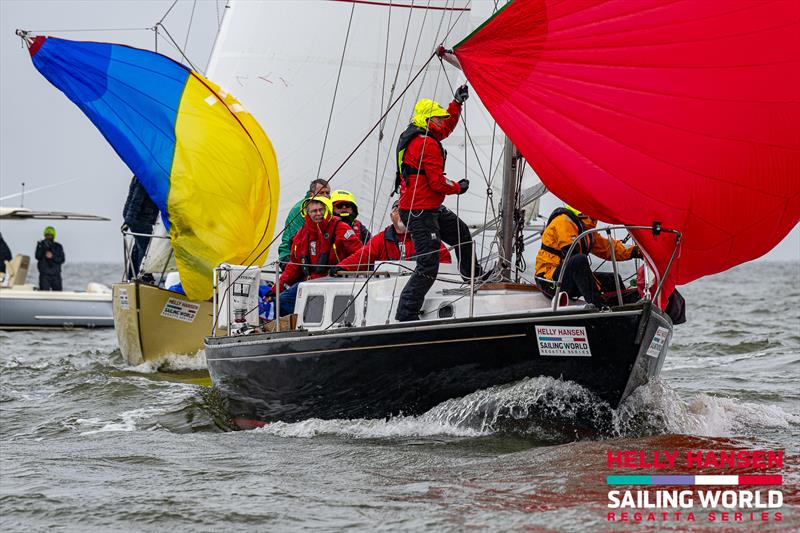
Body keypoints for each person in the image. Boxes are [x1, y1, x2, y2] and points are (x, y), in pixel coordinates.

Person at [393, 84, 485, 321]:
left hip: (427, 207)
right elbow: (436, 183)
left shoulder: (422, 133)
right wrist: (458, 187)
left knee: (462, 233)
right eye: (437, 118)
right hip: (419, 211)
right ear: (427, 119)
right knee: (428, 264)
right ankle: (406, 313)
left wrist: (456, 104)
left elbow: (446, 128)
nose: (441, 122)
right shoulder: (426, 144)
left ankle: (473, 277)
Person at [534, 205, 641, 308]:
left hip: (566, 279)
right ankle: (599, 307)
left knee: (613, 279)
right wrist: (595, 285)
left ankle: (622, 310)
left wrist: (635, 252)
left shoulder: (585, 229)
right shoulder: (563, 221)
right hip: (549, 281)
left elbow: (607, 248)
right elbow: (572, 254)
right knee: (579, 260)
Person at [273, 197, 362, 315]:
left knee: (316, 309)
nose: (318, 214)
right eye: (314, 211)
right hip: (310, 283)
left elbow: (360, 253)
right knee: (281, 301)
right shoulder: (302, 233)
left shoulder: (340, 227)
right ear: (307, 213)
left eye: (321, 210)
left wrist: (343, 267)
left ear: (326, 210)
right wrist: (275, 289)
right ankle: (297, 324)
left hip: (336, 281)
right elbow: (294, 266)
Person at [334, 200, 451, 272]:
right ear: (391, 216)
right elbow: (363, 256)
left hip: (418, 289)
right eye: (398, 210)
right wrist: (343, 267)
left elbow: (444, 260)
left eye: (408, 211)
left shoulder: (427, 237)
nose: (403, 215)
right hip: (386, 291)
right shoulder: (381, 239)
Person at [278, 179, 331, 267]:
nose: (325, 196)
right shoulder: (299, 210)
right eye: (321, 193)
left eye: (327, 193)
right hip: (290, 255)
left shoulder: (329, 208)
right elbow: (296, 240)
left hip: (315, 255)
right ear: (311, 194)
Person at [122, 176, 159, 280]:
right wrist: (128, 221)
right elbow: (135, 200)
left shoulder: (140, 175)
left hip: (137, 218)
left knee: (138, 248)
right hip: (139, 219)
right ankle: (144, 276)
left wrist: (127, 220)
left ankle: (132, 276)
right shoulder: (144, 178)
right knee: (145, 247)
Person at [35, 226, 65, 291]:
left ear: (53, 236)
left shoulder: (58, 246)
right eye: (47, 235)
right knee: (43, 294)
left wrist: (52, 256)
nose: (49, 237)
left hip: (56, 275)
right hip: (44, 275)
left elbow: (62, 259)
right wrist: (42, 249)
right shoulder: (41, 245)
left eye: (50, 235)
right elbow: (37, 256)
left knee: (58, 294)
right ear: (44, 235)